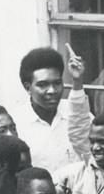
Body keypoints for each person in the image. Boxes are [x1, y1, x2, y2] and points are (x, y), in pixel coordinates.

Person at [9, 45, 93, 173]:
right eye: (43, 85)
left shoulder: (78, 114)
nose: (52, 91)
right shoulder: (14, 123)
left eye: (57, 83)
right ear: (28, 87)